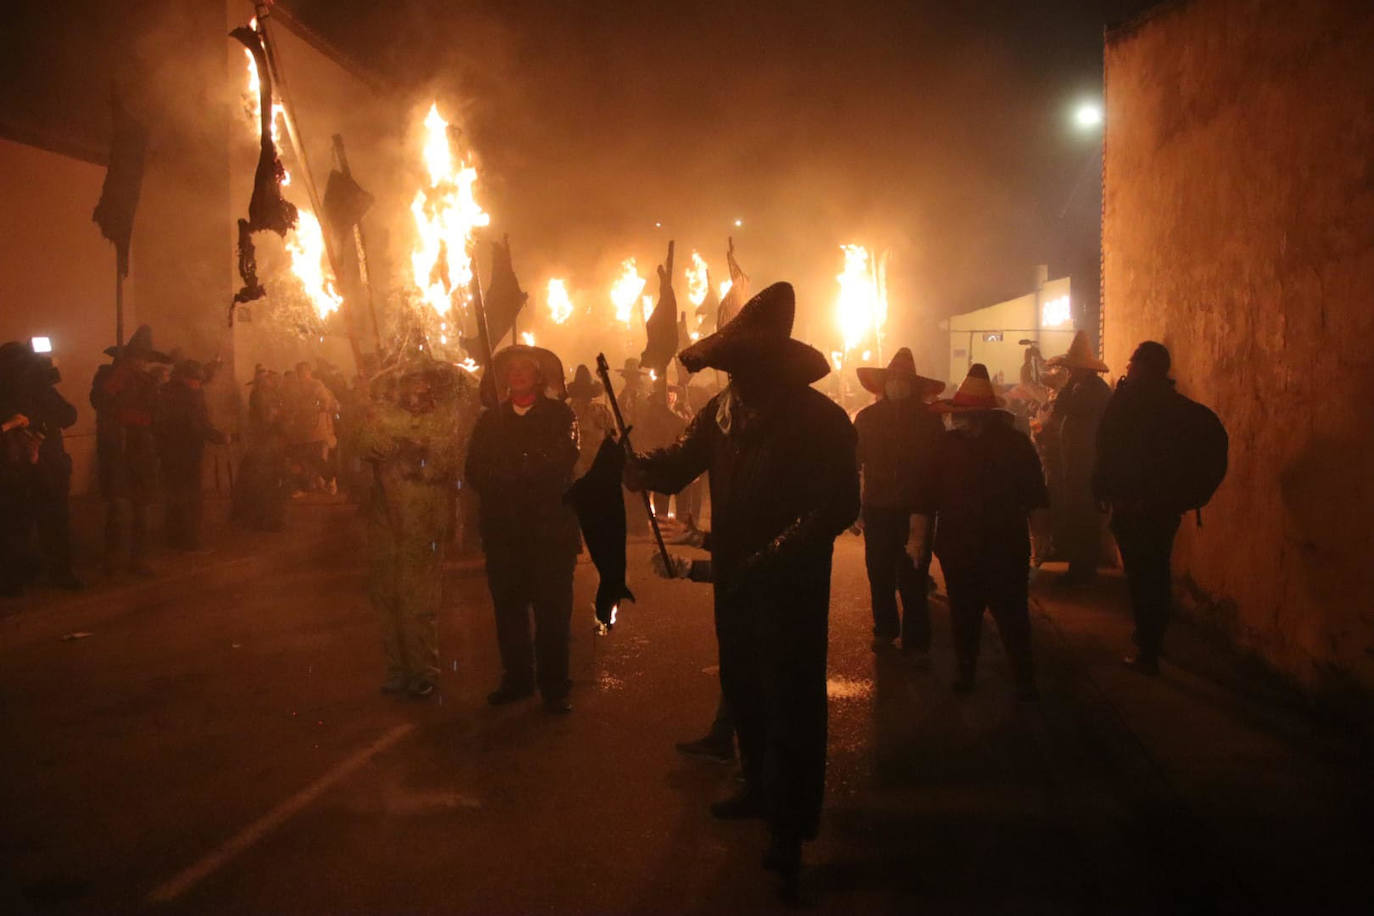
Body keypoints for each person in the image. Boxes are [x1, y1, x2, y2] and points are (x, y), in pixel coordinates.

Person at [626, 281, 859, 894]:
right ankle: (757, 787)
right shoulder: (721, 414)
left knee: (791, 701)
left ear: (773, 364)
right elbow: (679, 462)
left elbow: (835, 506)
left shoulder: (822, 419)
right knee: (745, 687)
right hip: (736, 577)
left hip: (792, 585)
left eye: (744, 364)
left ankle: (790, 827)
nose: (735, 375)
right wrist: (640, 467)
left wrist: (774, 557)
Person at [1093, 341, 1226, 675]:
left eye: (1131, 363)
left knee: (1141, 577)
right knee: (1157, 572)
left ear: (1139, 367)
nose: (1127, 369)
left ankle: (1147, 649)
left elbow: (1105, 448)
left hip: (1131, 506)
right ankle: (1153, 638)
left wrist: (1102, 490)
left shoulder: (1126, 404)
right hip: (1163, 509)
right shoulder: (1180, 409)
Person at [922, 363, 1050, 699]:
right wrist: (1040, 539)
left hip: (975, 546)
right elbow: (1036, 497)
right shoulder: (1015, 444)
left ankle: (977, 677)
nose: (957, 420)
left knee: (977, 615)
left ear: (974, 416)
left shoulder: (949, 445)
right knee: (1001, 615)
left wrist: (918, 541)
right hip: (994, 545)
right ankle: (1018, 681)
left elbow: (927, 498)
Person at [466, 345, 580, 714]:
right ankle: (517, 679)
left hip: (550, 531)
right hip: (505, 532)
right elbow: (475, 469)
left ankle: (555, 685)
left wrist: (524, 472)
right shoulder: (489, 422)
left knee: (552, 611)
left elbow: (565, 457)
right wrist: (500, 478)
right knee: (509, 609)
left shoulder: (560, 415)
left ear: (538, 376)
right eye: (511, 369)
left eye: (525, 369)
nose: (517, 374)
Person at [355, 354, 476, 697]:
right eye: (409, 382)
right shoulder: (382, 416)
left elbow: (450, 462)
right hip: (385, 521)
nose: (416, 389)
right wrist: (376, 435)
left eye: (423, 383)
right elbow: (363, 444)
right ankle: (397, 669)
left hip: (424, 521)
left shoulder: (445, 420)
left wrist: (420, 457)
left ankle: (425, 670)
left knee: (419, 599)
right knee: (387, 596)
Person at [852, 347, 946, 660]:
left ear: (915, 385)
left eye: (903, 379)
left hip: (916, 511)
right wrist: (853, 505)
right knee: (878, 573)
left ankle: (917, 642)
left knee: (913, 577)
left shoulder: (929, 422)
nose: (897, 383)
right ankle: (884, 629)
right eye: (893, 378)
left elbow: (936, 469)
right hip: (877, 508)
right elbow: (853, 462)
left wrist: (928, 512)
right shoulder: (867, 420)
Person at [90, 325, 168, 576]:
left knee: (141, 505)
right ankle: (113, 560)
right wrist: (118, 378)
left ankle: (139, 559)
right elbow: (100, 400)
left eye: (144, 358)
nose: (142, 362)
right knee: (118, 504)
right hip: (118, 444)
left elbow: (156, 414)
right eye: (138, 357)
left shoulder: (149, 381)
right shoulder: (108, 375)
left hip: (141, 445)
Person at [1044, 331, 1111, 585]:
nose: (1069, 372)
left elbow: (1065, 411)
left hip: (1088, 462)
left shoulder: (1095, 391)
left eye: (1072, 368)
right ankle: (1077, 562)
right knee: (1074, 512)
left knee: (1085, 515)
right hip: (1072, 460)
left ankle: (1085, 566)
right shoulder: (1077, 387)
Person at [157, 359, 227, 550]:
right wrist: (218, 436)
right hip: (186, 453)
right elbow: (196, 425)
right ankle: (188, 538)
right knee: (190, 496)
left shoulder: (166, 392)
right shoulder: (188, 397)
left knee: (174, 495)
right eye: (195, 379)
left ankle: (173, 536)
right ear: (185, 378)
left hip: (169, 453)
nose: (198, 383)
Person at [27, 348, 82, 588]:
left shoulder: (15, 392)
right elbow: (68, 415)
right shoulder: (41, 392)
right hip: (45, 465)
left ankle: (29, 573)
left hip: (34, 466)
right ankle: (59, 572)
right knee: (54, 521)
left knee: (30, 523)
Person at [567, 364, 615, 480]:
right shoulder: (567, 412)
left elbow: (612, 438)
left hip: (596, 468)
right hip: (578, 468)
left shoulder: (602, 411)